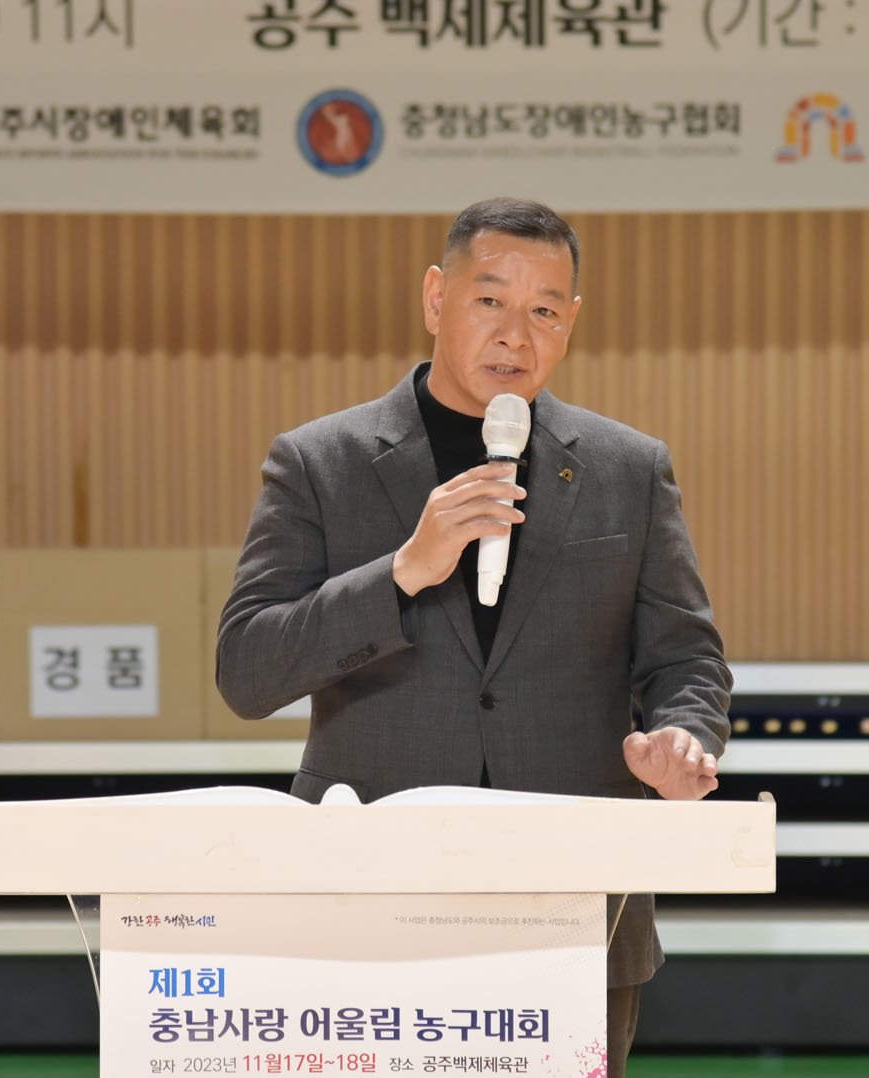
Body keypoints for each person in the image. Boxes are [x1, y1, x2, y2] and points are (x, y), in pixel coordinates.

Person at [217, 196, 732, 1077]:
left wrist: (684, 735)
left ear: (571, 323)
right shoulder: (321, 462)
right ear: (435, 298)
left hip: (577, 893)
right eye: (490, 300)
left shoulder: (628, 470)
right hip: (371, 893)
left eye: (544, 311)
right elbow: (247, 670)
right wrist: (401, 572)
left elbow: (685, 656)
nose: (514, 335)